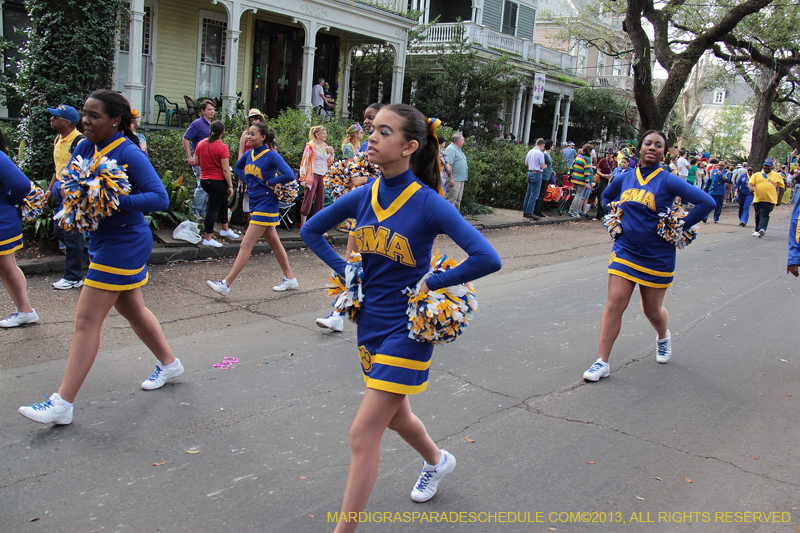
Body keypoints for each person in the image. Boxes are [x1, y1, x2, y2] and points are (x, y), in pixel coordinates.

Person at [299, 104, 502, 533]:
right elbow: (310, 231)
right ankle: (438, 460)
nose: (371, 137)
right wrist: (346, 272)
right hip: (369, 323)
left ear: (409, 146)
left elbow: (488, 257)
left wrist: (435, 281)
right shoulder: (363, 195)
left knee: (363, 432)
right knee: (394, 415)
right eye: (372, 129)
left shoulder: (429, 203)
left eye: (384, 131)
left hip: (409, 329)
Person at [18, 90, 180, 424]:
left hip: (125, 241)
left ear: (115, 120)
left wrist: (112, 199)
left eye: (94, 116)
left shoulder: (129, 152)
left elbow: (159, 198)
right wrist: (66, 191)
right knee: (132, 309)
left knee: (87, 320)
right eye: (84, 114)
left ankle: (63, 403)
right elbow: (65, 185)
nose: (85, 121)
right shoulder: (83, 146)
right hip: (100, 239)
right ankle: (169, 363)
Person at [582, 130, 715, 382]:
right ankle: (602, 362)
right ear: (639, 149)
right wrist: (614, 217)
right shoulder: (625, 178)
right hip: (625, 250)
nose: (652, 147)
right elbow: (607, 196)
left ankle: (663, 336)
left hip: (657, 256)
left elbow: (707, 203)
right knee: (615, 301)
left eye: (658, 145)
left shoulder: (668, 180)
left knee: (651, 310)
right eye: (648, 143)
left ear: (664, 153)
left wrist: (678, 227)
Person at [207, 122, 299, 296]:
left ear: (263, 137)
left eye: (253, 134)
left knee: (246, 244)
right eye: (248, 134)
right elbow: (238, 167)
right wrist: (248, 181)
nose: (249, 137)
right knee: (274, 243)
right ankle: (290, 278)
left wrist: (270, 182)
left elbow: (288, 174)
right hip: (255, 203)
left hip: (266, 203)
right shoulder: (249, 154)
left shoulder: (271, 156)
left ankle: (225, 284)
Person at [46, 104, 88, 290]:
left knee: (71, 236)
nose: (52, 119)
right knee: (59, 231)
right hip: (58, 192)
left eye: (55, 117)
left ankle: (73, 277)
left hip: (72, 195)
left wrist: (71, 188)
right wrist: (49, 189)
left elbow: (85, 170)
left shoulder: (79, 142)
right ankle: (90, 257)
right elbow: (58, 169)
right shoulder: (58, 139)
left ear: (66, 122)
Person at [0, 130, 39, 328]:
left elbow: (22, 185)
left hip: (2, 221)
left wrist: (12, 202)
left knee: (6, 267)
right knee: (6, 268)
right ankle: (25, 311)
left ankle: (25, 310)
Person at [194, 120, 240, 247]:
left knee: (223, 202)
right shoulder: (222, 147)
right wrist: (230, 185)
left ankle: (225, 229)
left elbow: (196, 161)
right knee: (212, 209)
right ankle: (207, 237)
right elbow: (225, 169)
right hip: (217, 181)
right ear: (222, 132)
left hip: (204, 180)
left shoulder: (201, 144)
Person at [183, 99, 215, 218]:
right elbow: (185, 138)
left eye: (213, 109)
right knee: (202, 185)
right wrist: (189, 156)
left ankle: (202, 211)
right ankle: (194, 210)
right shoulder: (197, 123)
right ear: (202, 111)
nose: (212, 112)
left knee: (207, 185)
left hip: (209, 160)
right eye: (209, 109)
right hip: (199, 159)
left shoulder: (211, 124)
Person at [299, 125, 334, 228]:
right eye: (323, 133)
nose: (325, 135)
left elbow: (328, 162)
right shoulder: (310, 146)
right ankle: (303, 225)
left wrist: (332, 154)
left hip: (323, 174)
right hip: (312, 174)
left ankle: (319, 226)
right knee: (308, 199)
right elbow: (304, 162)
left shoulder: (325, 146)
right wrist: (303, 178)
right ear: (317, 134)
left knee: (321, 199)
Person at [237, 109, 266, 223]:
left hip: (261, 168)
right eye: (252, 119)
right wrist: (240, 169)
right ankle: (247, 222)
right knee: (247, 195)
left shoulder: (266, 134)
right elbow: (241, 151)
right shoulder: (245, 134)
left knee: (260, 195)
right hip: (247, 167)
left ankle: (259, 221)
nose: (254, 121)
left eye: (256, 118)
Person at [748, 158, 784, 238]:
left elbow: (782, 188)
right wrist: (751, 188)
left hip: (770, 200)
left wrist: (779, 199)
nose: (766, 167)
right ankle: (757, 230)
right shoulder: (757, 175)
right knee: (758, 214)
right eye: (764, 166)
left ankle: (762, 229)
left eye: (768, 166)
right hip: (758, 199)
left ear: (772, 167)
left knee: (764, 214)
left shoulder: (777, 176)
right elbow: (750, 183)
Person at [522, 138, 545, 220]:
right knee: (534, 194)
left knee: (528, 193)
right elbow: (542, 166)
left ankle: (525, 210)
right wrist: (545, 166)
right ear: (542, 145)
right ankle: (529, 212)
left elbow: (526, 163)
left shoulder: (530, 151)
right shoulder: (540, 153)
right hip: (537, 173)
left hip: (530, 172)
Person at [444, 132, 467, 212]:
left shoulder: (458, 150)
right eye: (463, 140)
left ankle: (455, 219)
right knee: (451, 200)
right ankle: (447, 219)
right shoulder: (451, 149)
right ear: (458, 141)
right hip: (454, 179)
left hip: (460, 179)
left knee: (457, 200)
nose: (463, 142)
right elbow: (449, 164)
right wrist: (451, 178)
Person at [568, 145, 592, 218]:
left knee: (576, 195)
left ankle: (571, 210)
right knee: (579, 195)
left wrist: (569, 174)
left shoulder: (578, 157)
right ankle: (574, 212)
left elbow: (572, 166)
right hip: (581, 180)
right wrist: (587, 182)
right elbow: (586, 172)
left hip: (574, 178)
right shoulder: (587, 159)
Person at [533, 139, 554, 218]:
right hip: (544, 175)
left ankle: (539, 210)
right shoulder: (544, 154)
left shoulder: (548, 154)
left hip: (548, 174)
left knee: (543, 193)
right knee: (541, 193)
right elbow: (542, 164)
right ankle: (537, 210)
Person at [594, 147, 617, 220]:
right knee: (601, 196)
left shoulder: (615, 162)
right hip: (603, 180)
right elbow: (598, 171)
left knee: (610, 197)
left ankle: (608, 213)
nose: (608, 155)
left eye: (610, 153)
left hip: (611, 181)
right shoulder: (602, 161)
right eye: (607, 153)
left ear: (613, 154)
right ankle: (600, 214)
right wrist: (604, 175)